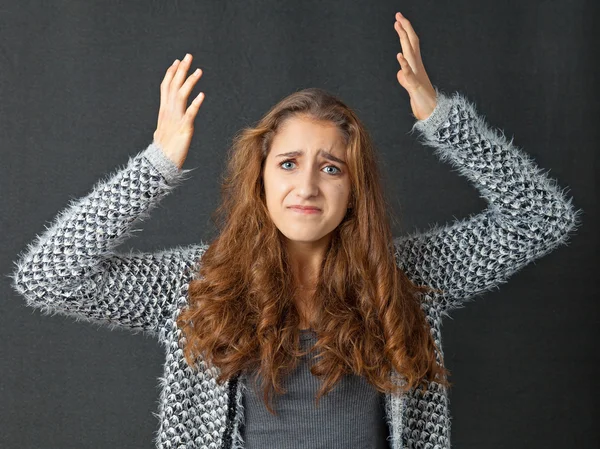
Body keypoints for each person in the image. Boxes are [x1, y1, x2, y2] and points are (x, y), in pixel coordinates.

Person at [8, 11, 582, 449]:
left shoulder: (407, 277)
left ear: (355, 188)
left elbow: (541, 218)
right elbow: (48, 277)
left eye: (331, 168)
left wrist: (441, 118)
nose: (307, 186)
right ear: (259, 178)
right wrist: (158, 163)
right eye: (288, 163)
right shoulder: (196, 286)